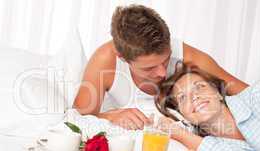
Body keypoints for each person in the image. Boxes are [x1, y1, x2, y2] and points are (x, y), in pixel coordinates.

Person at [73, 4, 248, 130]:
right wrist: (110, 116)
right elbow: (75, 119)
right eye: (149, 68)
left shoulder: (188, 57)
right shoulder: (106, 60)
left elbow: (252, 96)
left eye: (166, 60)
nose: (163, 72)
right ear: (123, 58)